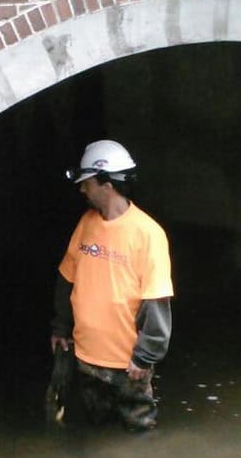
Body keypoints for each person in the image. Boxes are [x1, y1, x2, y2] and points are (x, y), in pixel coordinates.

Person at [51, 139, 173, 431]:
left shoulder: (148, 233)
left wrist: (144, 358)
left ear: (107, 184)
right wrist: (60, 327)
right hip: (84, 358)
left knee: (138, 435)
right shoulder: (86, 222)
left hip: (126, 367)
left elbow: (156, 303)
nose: (82, 189)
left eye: (87, 183)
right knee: (95, 430)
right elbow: (67, 279)